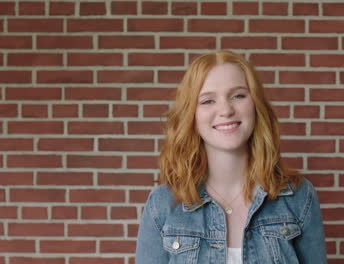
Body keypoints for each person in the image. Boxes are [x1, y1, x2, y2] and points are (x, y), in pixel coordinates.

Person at [135, 50, 327, 264]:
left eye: (238, 96)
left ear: (255, 105)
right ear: (191, 115)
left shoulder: (299, 197)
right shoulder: (163, 203)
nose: (225, 110)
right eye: (208, 101)